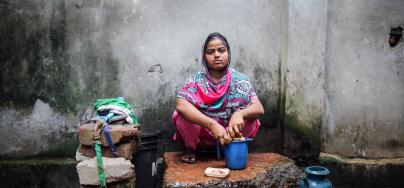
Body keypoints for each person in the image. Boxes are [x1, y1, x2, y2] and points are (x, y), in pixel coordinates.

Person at [172, 32, 264, 163]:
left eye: (221, 50)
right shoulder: (196, 80)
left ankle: (233, 149)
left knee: (250, 118)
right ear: (204, 56)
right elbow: (181, 105)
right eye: (210, 52)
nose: (216, 55)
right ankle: (190, 149)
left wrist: (239, 113)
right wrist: (211, 124)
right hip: (204, 134)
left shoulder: (239, 80)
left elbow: (259, 108)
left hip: (230, 134)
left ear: (228, 53)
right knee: (183, 116)